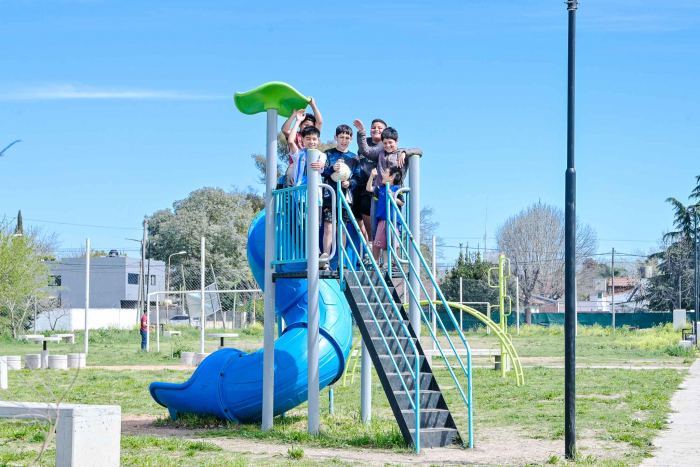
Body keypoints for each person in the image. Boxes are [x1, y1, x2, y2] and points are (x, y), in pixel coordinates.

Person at [287, 109, 327, 264]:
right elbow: (291, 141)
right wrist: (297, 121)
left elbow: (322, 164)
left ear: (318, 140)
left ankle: (316, 252)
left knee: (315, 225)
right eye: (308, 139)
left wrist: (321, 164)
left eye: (314, 139)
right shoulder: (299, 154)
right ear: (302, 140)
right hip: (301, 195)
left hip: (315, 196)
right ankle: (312, 252)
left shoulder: (321, 154)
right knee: (304, 224)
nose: (311, 142)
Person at [321, 125, 360, 265]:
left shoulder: (354, 158)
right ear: (335, 138)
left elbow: (357, 178)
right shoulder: (328, 154)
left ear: (351, 140)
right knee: (328, 227)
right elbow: (322, 171)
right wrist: (332, 168)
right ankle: (325, 259)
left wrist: (349, 183)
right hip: (329, 197)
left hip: (345, 199)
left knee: (342, 229)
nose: (344, 140)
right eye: (341, 137)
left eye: (347, 138)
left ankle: (341, 261)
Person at [353, 120, 423, 191]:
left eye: (390, 142)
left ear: (397, 141)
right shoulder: (380, 154)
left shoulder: (401, 153)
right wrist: (361, 132)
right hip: (379, 190)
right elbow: (365, 151)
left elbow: (419, 151)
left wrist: (405, 152)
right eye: (385, 143)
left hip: (394, 191)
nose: (388, 145)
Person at [351, 119, 386, 243]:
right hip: (361, 182)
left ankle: (372, 242)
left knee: (366, 207)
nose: (376, 129)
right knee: (354, 211)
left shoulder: (385, 145)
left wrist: (361, 132)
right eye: (373, 127)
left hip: (373, 184)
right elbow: (360, 154)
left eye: (379, 128)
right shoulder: (365, 143)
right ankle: (367, 242)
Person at [281, 98, 323, 188]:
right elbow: (285, 130)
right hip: (296, 164)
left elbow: (319, 122)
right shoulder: (296, 134)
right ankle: (289, 197)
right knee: (291, 173)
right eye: (306, 125)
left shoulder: (313, 136)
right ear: (300, 125)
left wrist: (313, 105)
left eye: (311, 126)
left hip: (310, 164)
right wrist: (295, 117)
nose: (308, 128)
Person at [367, 166, 404, 264]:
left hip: (393, 221)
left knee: (392, 242)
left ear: (391, 177)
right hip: (382, 220)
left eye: (386, 173)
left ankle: (393, 262)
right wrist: (371, 176)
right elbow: (369, 188)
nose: (383, 174)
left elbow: (402, 202)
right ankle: (383, 264)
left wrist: (393, 196)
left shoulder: (397, 188)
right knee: (381, 243)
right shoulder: (380, 188)